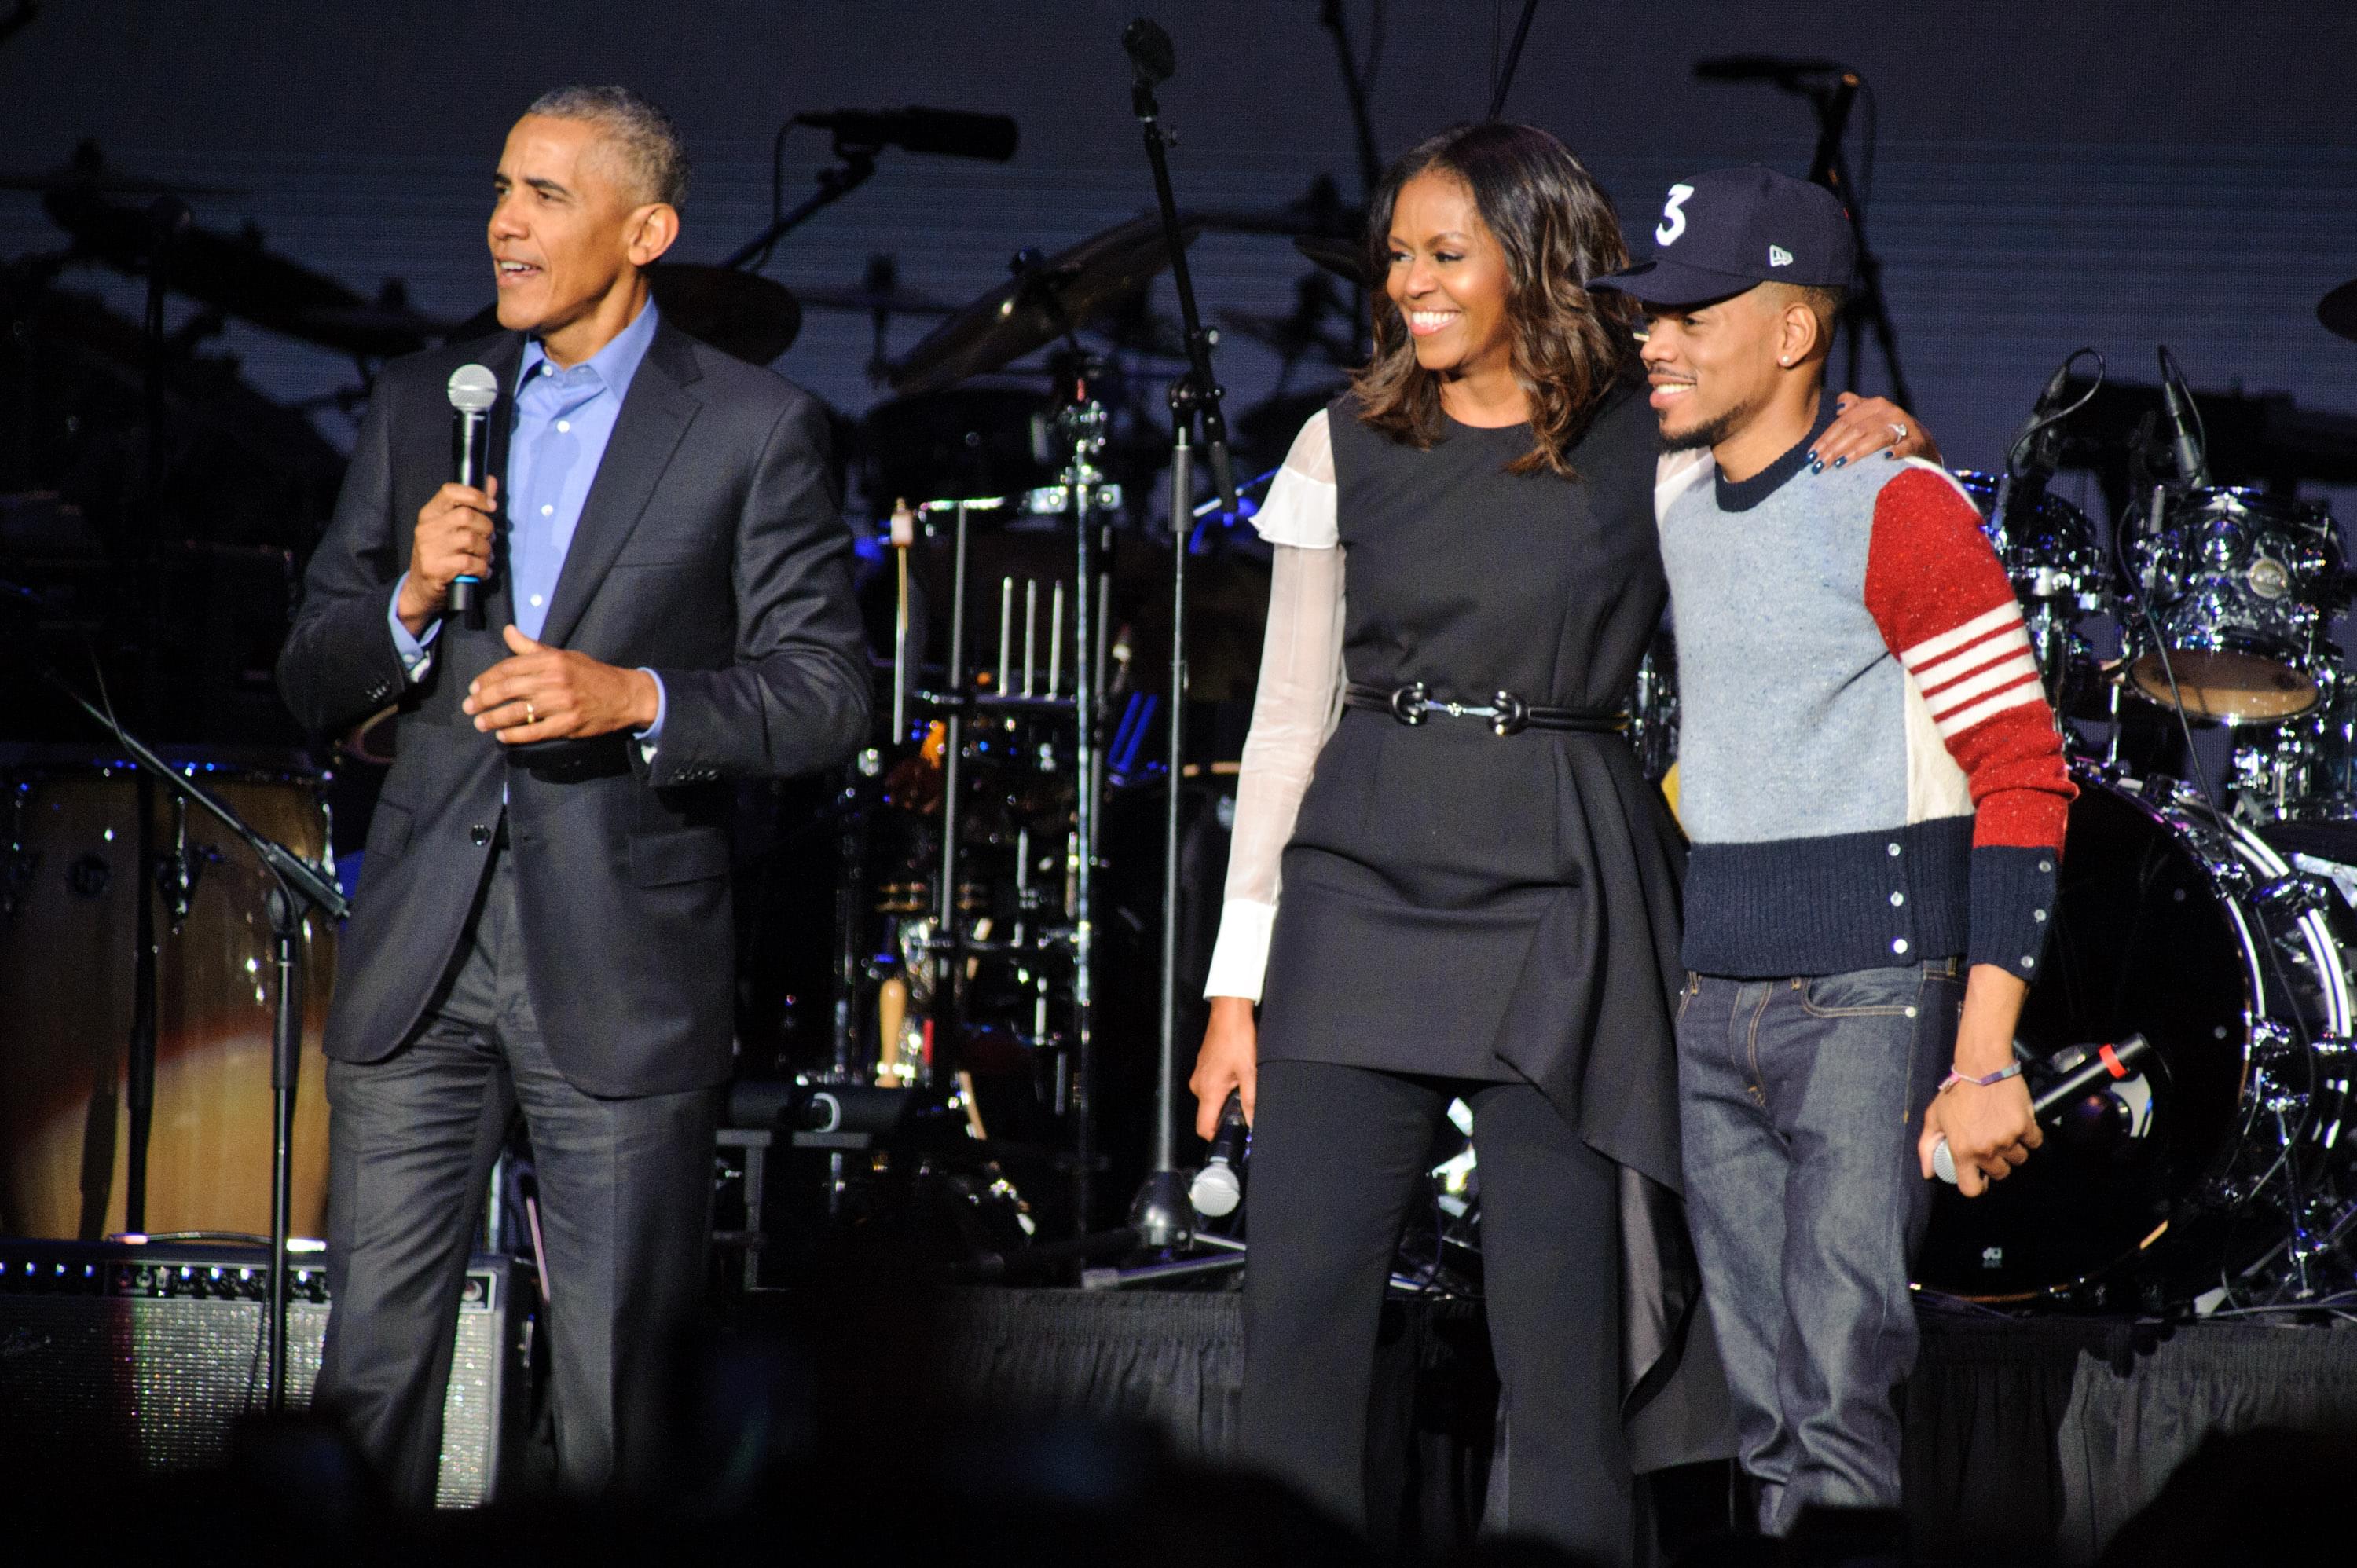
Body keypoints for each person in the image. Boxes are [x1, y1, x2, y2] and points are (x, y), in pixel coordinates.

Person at [1188, 123, 1929, 1559]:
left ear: (1535, 260)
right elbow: (1286, 729)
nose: (1410, 280)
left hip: (1566, 899)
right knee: (1301, 1322)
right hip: (1359, 887)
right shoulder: (1341, 439)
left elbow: (1793, 501)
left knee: (1566, 1351)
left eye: (1444, 252)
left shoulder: (1646, 442)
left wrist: (1879, 434)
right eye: (1398, 253)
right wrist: (1236, 985)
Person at [276, 85, 870, 1502]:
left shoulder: (753, 426)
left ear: (646, 228)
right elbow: (311, 673)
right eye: (501, 190)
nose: (504, 223)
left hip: (621, 954)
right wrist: (412, 596)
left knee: (620, 1398)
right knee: (370, 1376)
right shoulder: (429, 401)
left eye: (546, 195)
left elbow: (829, 694)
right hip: (423, 945)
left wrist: (638, 700)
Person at [1590, 166, 2071, 1534]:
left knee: (1841, 1395)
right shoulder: (1677, 488)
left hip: (1868, 992)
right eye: (1650, 313)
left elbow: (2025, 778)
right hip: (1713, 988)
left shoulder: (1900, 504)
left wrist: (1984, 1057)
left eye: (1692, 312)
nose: (1654, 338)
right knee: (1765, 1418)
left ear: (1795, 332)